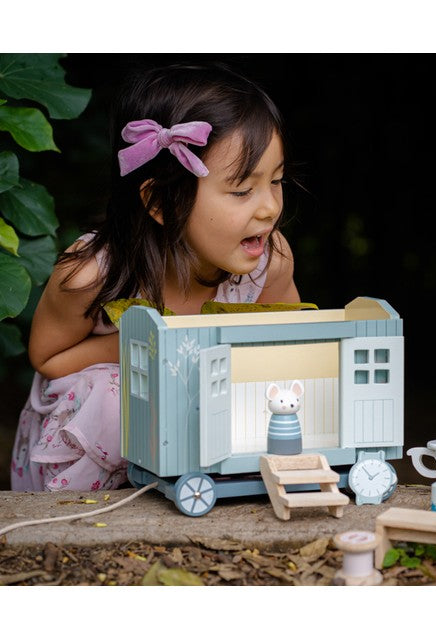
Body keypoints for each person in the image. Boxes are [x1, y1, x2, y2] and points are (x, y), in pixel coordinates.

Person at [11, 62, 300, 491]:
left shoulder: (268, 263)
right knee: (115, 393)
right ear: (162, 202)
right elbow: (47, 358)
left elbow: (290, 350)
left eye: (276, 181)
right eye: (242, 190)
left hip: (198, 430)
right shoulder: (90, 274)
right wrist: (147, 344)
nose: (270, 208)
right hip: (88, 444)